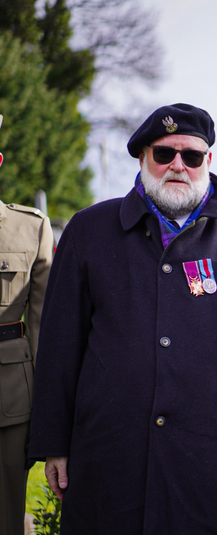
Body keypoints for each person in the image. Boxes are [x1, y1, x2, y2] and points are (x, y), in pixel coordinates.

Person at [27, 103, 217, 534]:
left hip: (213, 460)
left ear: (208, 160)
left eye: (191, 156)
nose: (178, 165)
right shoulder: (87, 231)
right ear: (142, 157)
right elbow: (60, 346)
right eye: (164, 153)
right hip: (108, 457)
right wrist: (53, 442)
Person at [0, 113, 54, 535]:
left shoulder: (29, 228)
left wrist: (47, 412)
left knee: (6, 514)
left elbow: (42, 329)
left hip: (8, 395)